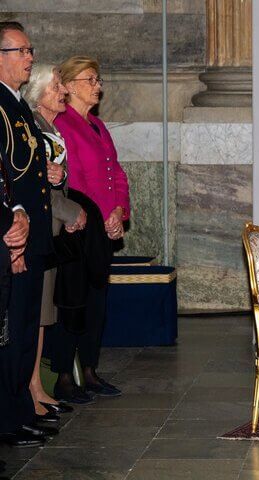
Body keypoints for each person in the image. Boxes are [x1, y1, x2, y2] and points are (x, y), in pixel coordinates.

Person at [51, 55, 129, 401]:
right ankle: (65, 375)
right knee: (74, 299)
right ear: (68, 87)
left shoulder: (97, 125)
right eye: (90, 80)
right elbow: (75, 180)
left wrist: (118, 211)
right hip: (80, 228)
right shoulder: (63, 125)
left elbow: (117, 173)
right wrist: (100, 217)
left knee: (97, 298)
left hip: (102, 226)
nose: (97, 86)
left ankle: (91, 371)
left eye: (98, 80)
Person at [0, 21, 58, 448]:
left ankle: (19, 412)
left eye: (29, 50)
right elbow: (7, 176)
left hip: (30, 232)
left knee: (23, 328)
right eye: (21, 51)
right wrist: (12, 228)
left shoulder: (17, 105)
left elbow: (30, 166)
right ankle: (8, 416)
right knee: (12, 331)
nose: (29, 58)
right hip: (12, 234)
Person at [21, 63, 87, 417]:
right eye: (57, 86)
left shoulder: (49, 127)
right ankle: (30, 390)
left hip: (53, 228)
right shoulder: (33, 126)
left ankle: (36, 386)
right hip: (43, 227)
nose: (62, 91)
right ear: (40, 92)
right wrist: (70, 211)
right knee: (37, 312)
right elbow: (40, 184)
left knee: (45, 313)